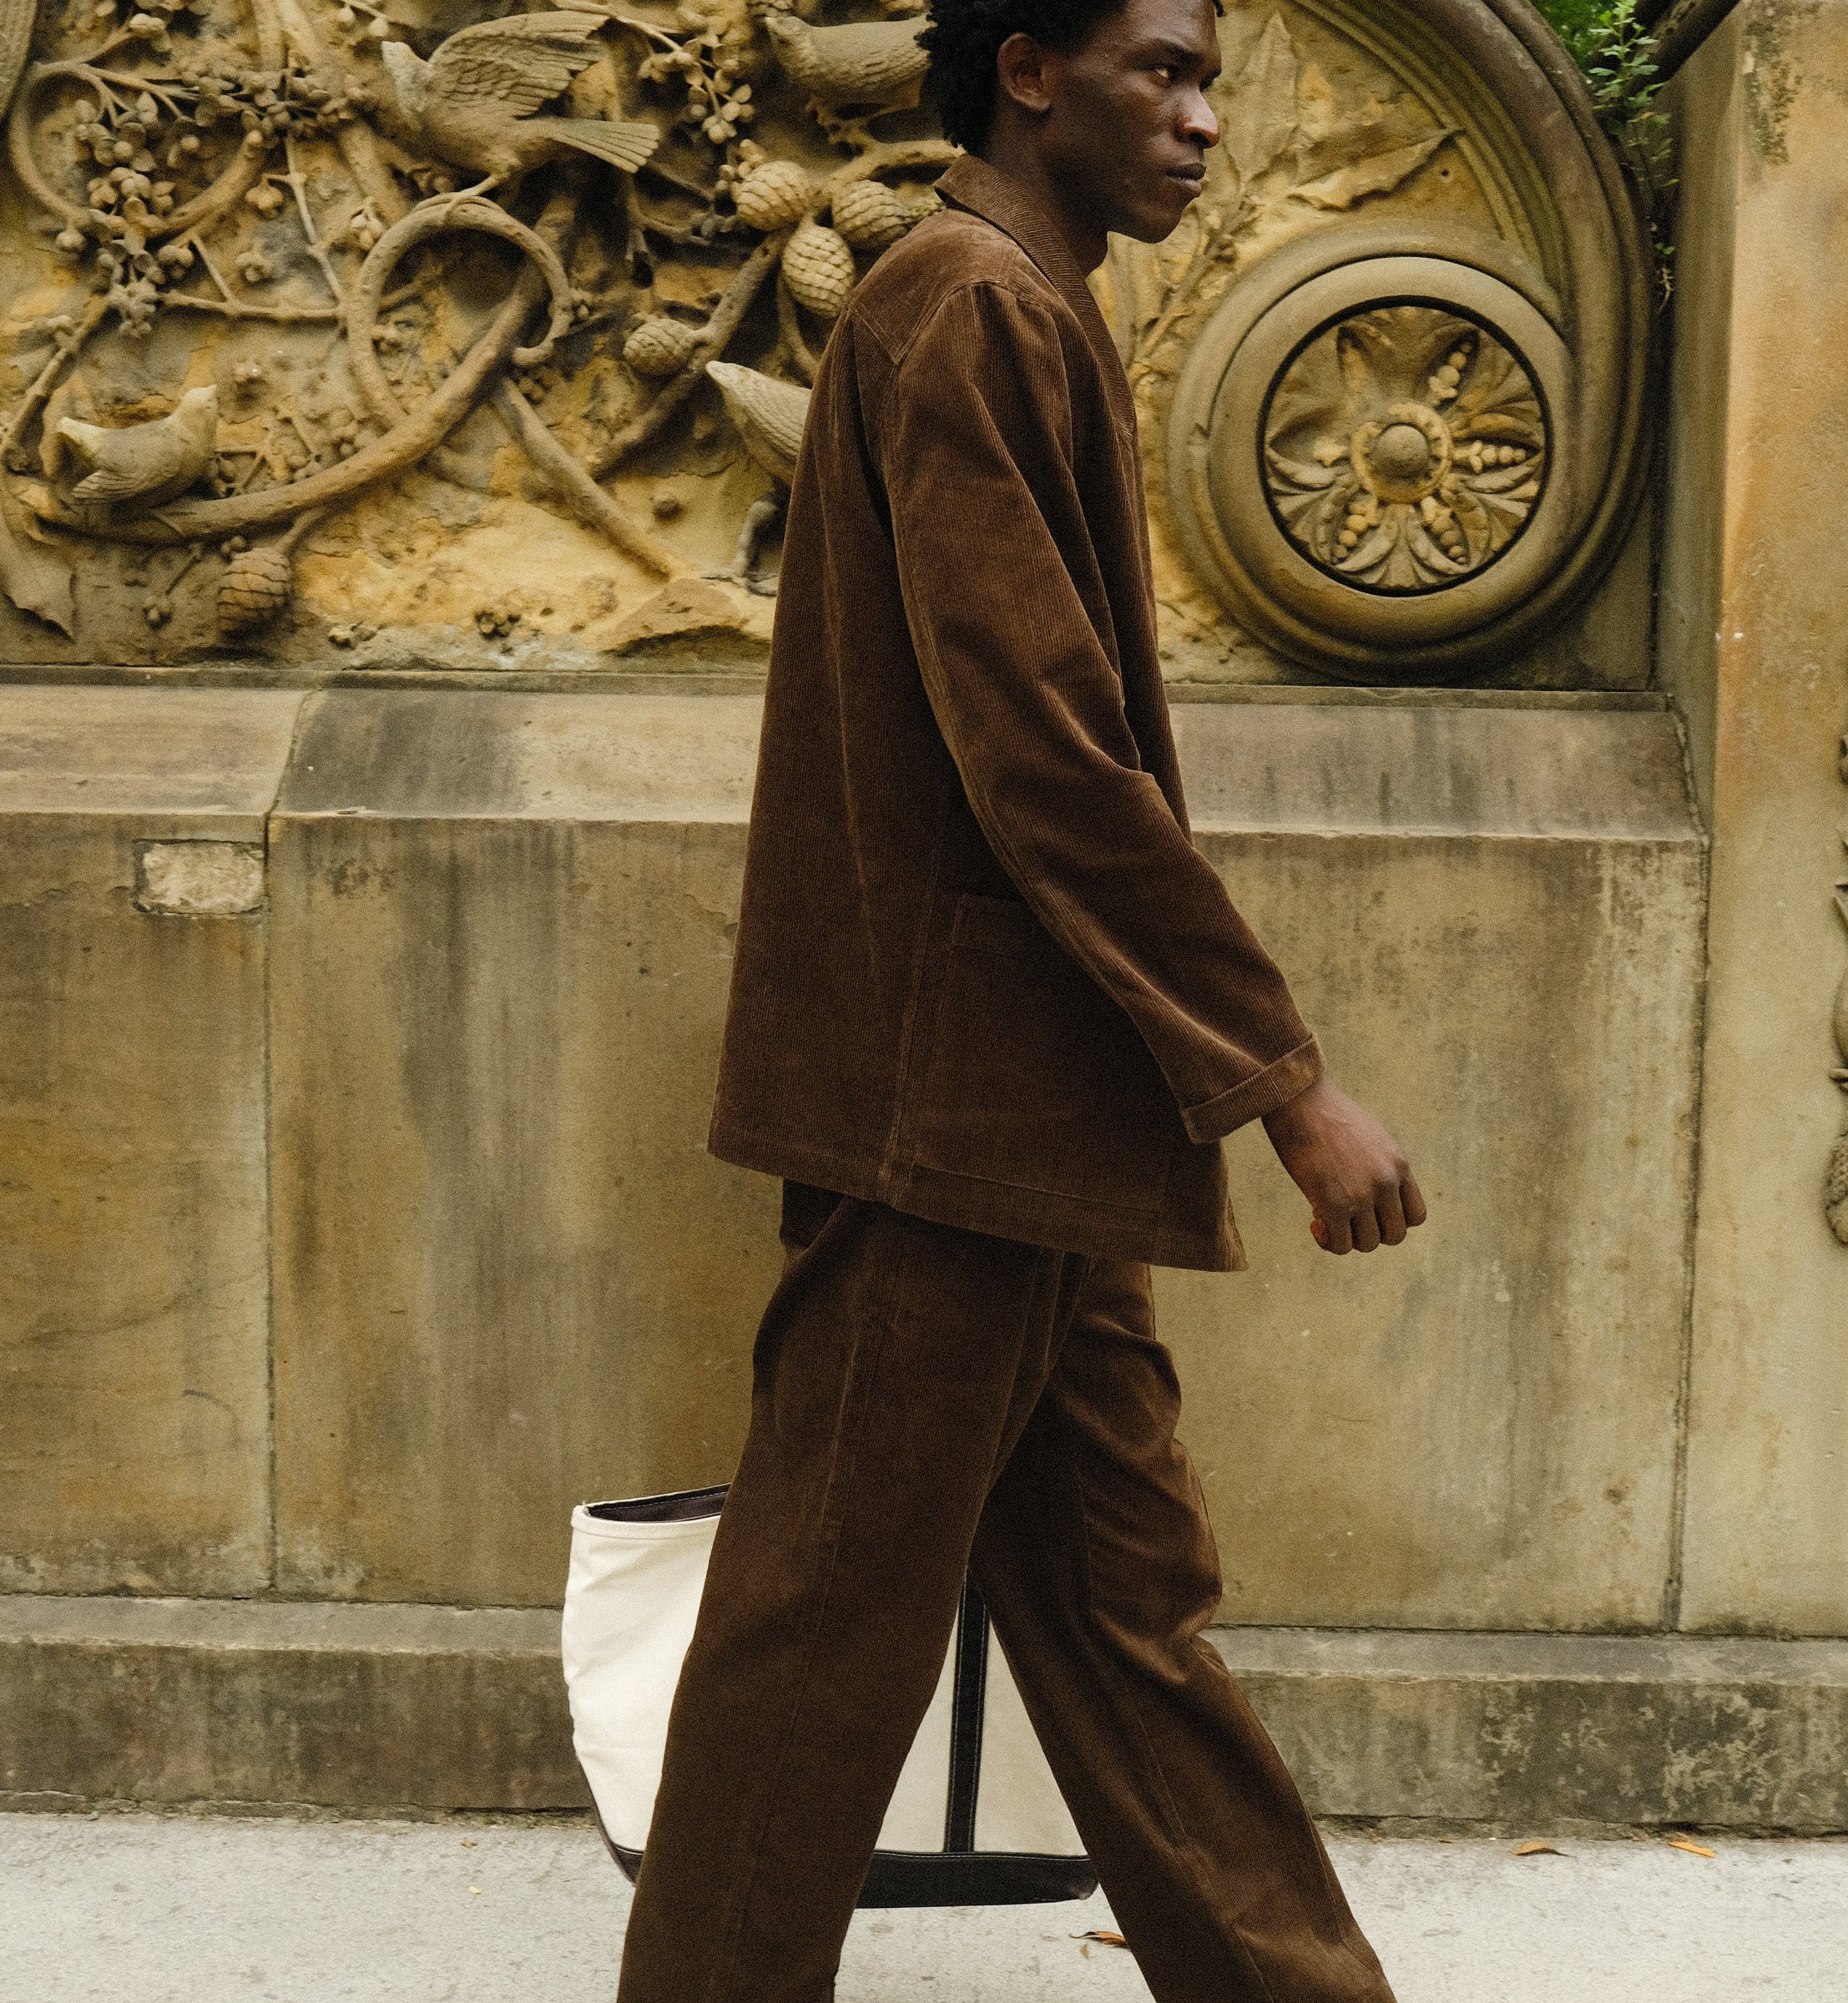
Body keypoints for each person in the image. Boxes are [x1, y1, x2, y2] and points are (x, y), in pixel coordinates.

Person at [616, 2, 1426, 1998]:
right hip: (951, 1125)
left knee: (1130, 1630)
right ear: (1030, 68)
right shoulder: (967, 300)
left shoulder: (1010, 303)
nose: (1204, 120)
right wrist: (1282, 1083)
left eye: (1211, 76)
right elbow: (1044, 753)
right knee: (819, 1638)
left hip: (1034, 1122)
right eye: (1162, 68)